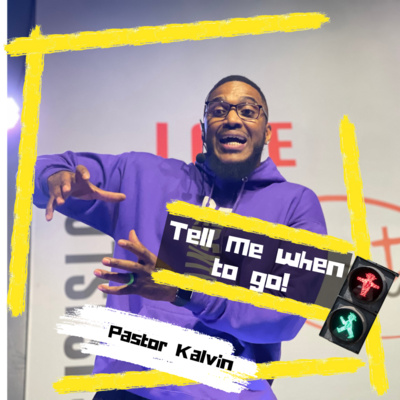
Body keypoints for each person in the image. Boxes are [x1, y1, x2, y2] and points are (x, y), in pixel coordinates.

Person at [33, 75, 327, 400]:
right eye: (218, 110)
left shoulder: (296, 203)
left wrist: (184, 292)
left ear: (267, 131)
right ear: (203, 129)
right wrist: (52, 178)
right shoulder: (143, 176)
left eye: (247, 111)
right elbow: (48, 168)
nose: (232, 118)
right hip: (130, 389)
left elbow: (287, 316)